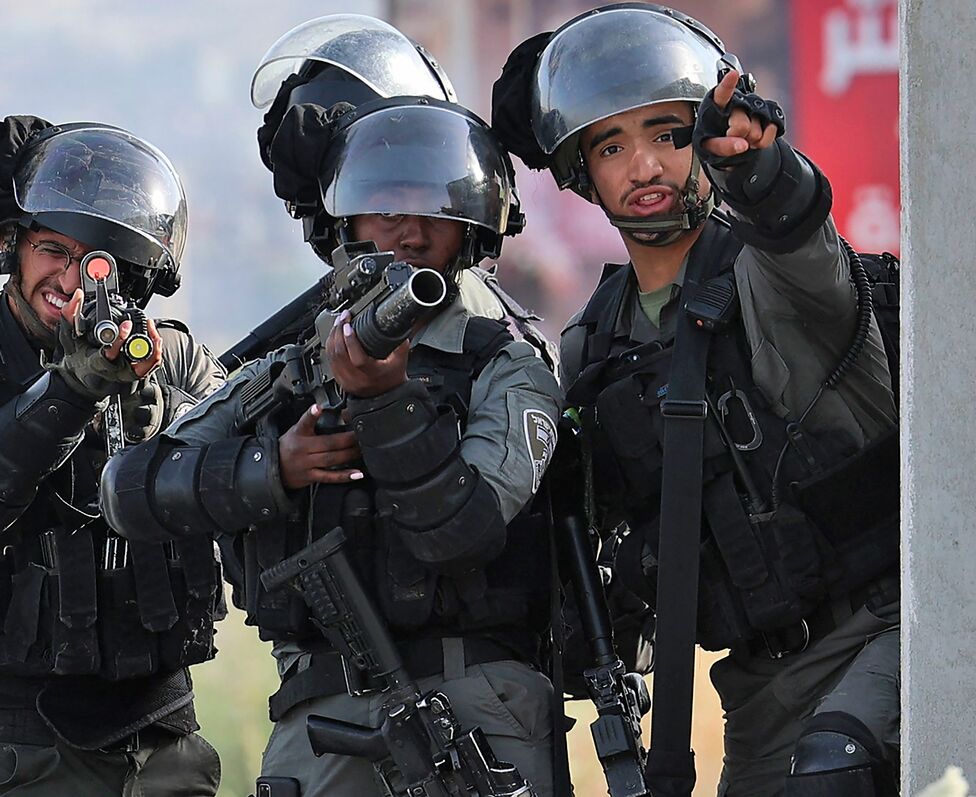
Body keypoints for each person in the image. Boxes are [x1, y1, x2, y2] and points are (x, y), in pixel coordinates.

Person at [492, 4, 899, 796]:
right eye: (612, 146)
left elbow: (797, 232)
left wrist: (759, 170)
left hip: (889, 628)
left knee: (832, 769)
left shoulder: (768, 270)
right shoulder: (594, 346)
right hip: (761, 683)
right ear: (581, 172)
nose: (643, 166)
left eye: (668, 135)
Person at [103, 97, 564, 796]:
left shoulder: (507, 366)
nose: (407, 231)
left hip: (474, 706)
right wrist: (272, 468)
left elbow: (462, 532)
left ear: (469, 225)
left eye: (432, 208)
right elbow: (128, 489)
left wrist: (383, 402)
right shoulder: (293, 364)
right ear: (345, 223)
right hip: (320, 717)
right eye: (385, 207)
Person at [0, 116, 225, 796]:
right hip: (11, 748)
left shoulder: (170, 356)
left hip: (162, 743)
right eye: (52, 250)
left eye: (96, 262)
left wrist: (157, 419)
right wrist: (70, 390)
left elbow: (247, 463)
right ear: (13, 246)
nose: (70, 280)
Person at [252, 12, 558, 371]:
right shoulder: (320, 331)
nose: (413, 235)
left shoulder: (499, 349)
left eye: (435, 210)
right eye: (386, 210)